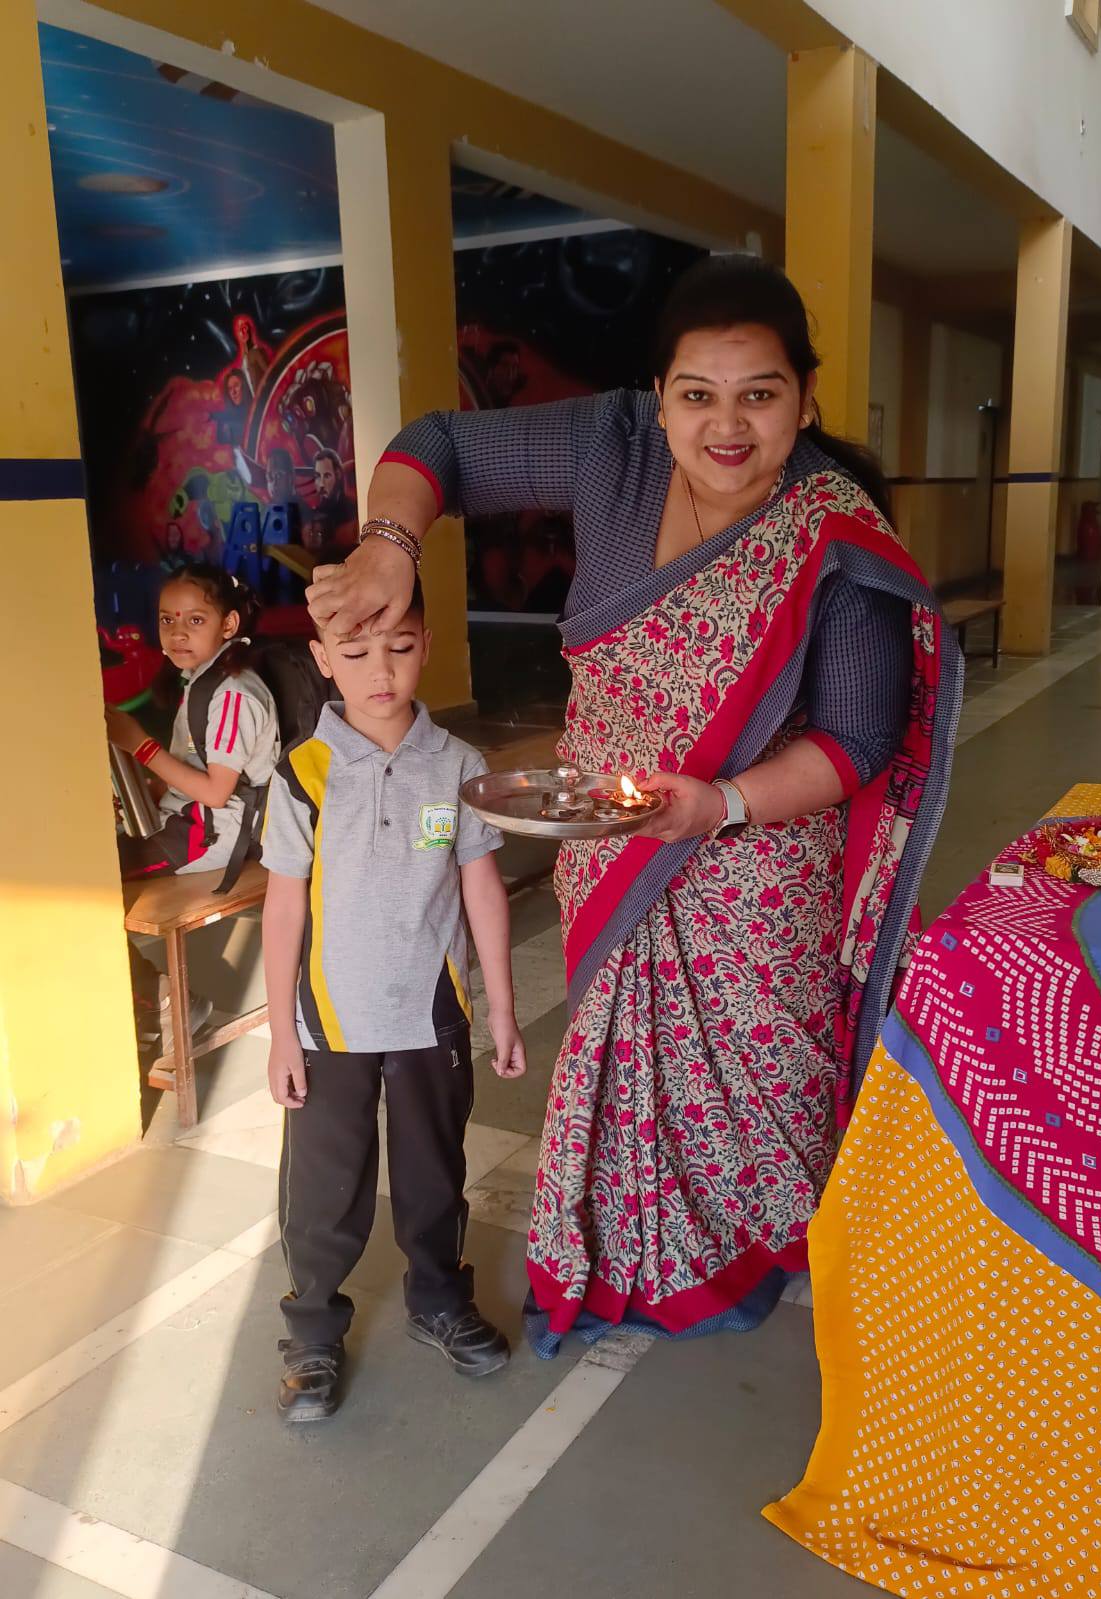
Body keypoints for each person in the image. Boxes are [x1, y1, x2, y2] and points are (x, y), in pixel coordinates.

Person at [308, 255, 962, 1355]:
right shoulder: (610, 446)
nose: (727, 425)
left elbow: (855, 740)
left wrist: (720, 805)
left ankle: (742, 1248)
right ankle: (631, 1250)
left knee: (755, 1084)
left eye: (759, 394)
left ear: (805, 398)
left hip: (754, 863)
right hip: (610, 838)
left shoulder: (832, 534)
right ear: (657, 397)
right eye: (697, 394)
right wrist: (390, 544)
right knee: (625, 1069)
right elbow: (438, 444)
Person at [260, 576, 527, 1420]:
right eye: (356, 652)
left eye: (401, 647)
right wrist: (280, 1032)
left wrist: (503, 1007)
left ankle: (440, 1300)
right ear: (321, 658)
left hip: (430, 1014)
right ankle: (311, 1331)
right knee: (324, 1186)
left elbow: (481, 886)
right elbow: (283, 905)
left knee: (433, 1171)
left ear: (427, 646)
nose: (381, 671)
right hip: (328, 1023)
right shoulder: (302, 772)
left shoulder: (458, 766)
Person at [105, 564, 280, 1041]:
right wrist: (145, 791)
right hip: (189, 823)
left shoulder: (233, 694)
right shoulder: (203, 681)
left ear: (229, 624)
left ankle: (162, 1001)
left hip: (208, 836)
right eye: (168, 619)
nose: (178, 632)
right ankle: (147, 998)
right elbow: (191, 773)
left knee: (87, 882)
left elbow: (216, 792)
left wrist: (141, 745)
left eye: (195, 620)